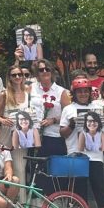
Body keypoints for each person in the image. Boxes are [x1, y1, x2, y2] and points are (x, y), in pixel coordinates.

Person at [28, 59, 72, 195]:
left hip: (54, 136)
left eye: (48, 69)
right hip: (34, 136)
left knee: (55, 171)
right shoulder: (30, 88)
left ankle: (55, 202)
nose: (45, 72)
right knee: (36, 171)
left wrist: (53, 119)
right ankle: (37, 203)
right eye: (41, 70)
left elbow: (68, 115)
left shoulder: (62, 92)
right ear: (37, 74)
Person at [0, 65, 30, 199]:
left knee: (20, 168)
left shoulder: (28, 94)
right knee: (3, 167)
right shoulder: (4, 94)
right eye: (14, 75)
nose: (18, 77)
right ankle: (0, 201)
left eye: (20, 74)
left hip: (22, 134)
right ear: (9, 77)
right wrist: (2, 120)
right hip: (7, 133)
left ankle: (22, 203)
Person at [76, 111, 104, 208]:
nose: (92, 123)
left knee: (98, 186)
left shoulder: (102, 134)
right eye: (89, 121)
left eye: (94, 121)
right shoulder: (83, 133)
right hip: (84, 160)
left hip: (97, 160)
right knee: (82, 187)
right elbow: (80, 149)